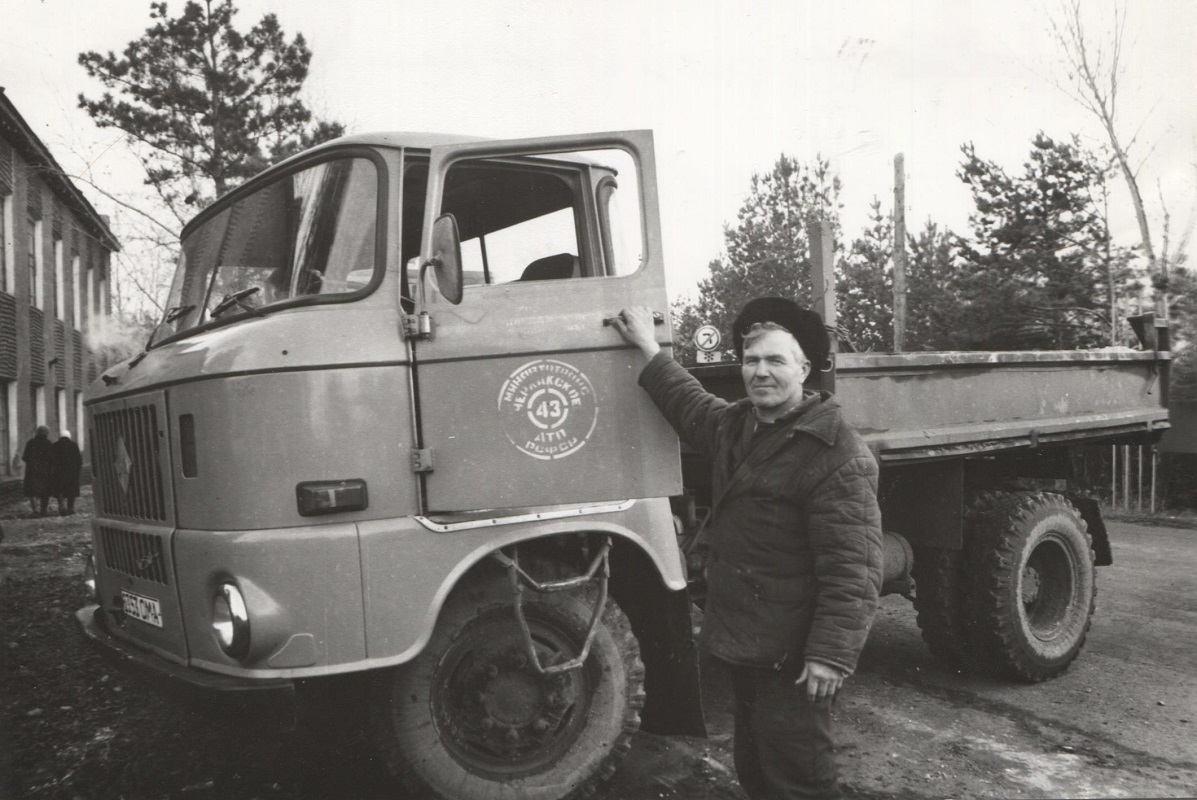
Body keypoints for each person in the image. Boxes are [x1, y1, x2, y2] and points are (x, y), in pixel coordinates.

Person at [611, 297, 883, 800]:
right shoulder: (739, 425)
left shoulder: (837, 454)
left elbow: (855, 569)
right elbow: (688, 402)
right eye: (751, 360)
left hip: (794, 650)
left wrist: (830, 654)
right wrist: (649, 347)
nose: (761, 372)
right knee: (755, 764)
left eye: (776, 361)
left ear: (804, 369)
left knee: (799, 775)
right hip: (744, 642)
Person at [22, 425, 53, 517]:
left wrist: (32, 462)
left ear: (37, 433)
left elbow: (24, 457)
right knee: (45, 491)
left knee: (32, 491)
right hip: (45, 471)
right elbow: (52, 459)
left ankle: (35, 511)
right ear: (47, 433)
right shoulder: (48, 443)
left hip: (32, 470)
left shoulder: (30, 443)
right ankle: (43, 511)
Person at [51, 429, 84, 516]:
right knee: (71, 490)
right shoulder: (74, 445)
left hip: (58, 472)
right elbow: (79, 460)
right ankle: (71, 508)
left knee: (59, 490)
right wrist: (77, 470)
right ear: (69, 436)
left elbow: (50, 460)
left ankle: (61, 506)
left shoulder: (54, 446)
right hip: (71, 472)